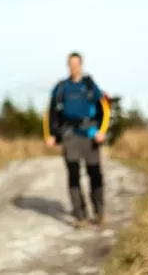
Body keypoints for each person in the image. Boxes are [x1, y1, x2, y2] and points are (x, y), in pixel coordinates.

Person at [44, 51, 110, 227]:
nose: (74, 67)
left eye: (77, 64)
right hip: (69, 135)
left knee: (94, 173)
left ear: (81, 65)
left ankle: (99, 212)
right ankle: (80, 216)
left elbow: (104, 109)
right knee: (73, 175)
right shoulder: (61, 88)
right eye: (71, 64)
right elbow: (50, 112)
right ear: (68, 66)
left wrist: (102, 131)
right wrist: (50, 135)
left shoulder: (89, 86)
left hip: (90, 135)